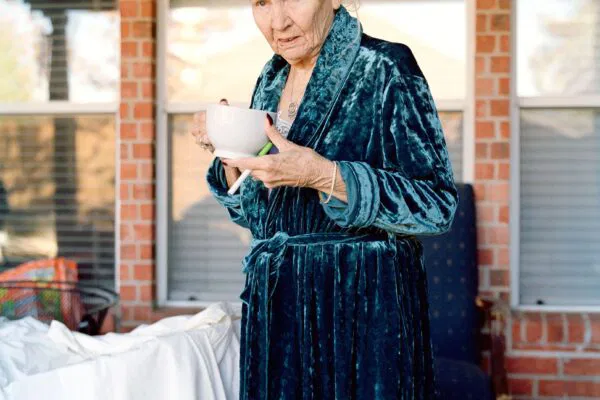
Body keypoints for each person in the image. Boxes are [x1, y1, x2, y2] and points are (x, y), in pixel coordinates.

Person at [191, 1, 458, 398]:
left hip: (360, 314)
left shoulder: (385, 66)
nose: (278, 21)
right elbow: (262, 216)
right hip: (276, 314)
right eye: (262, 2)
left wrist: (325, 176)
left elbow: (437, 206)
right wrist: (230, 155)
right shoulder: (271, 78)